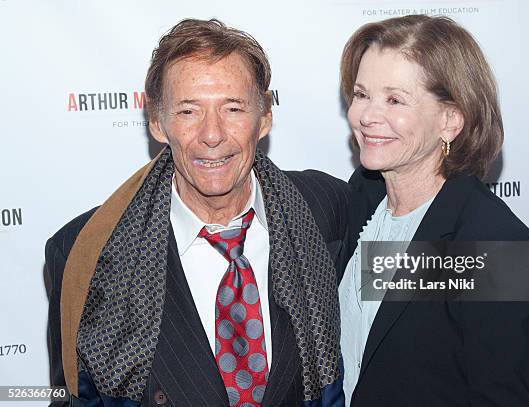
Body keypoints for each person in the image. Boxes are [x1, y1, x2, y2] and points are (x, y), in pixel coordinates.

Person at [45, 18, 348, 407]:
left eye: (233, 108)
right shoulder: (84, 253)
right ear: (157, 121)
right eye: (189, 111)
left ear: (265, 117)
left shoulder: (325, 209)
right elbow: (67, 398)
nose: (212, 134)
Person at [337, 15, 529, 406]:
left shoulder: (490, 243)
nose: (367, 116)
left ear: (450, 120)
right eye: (361, 94)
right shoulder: (362, 200)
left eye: (394, 99)